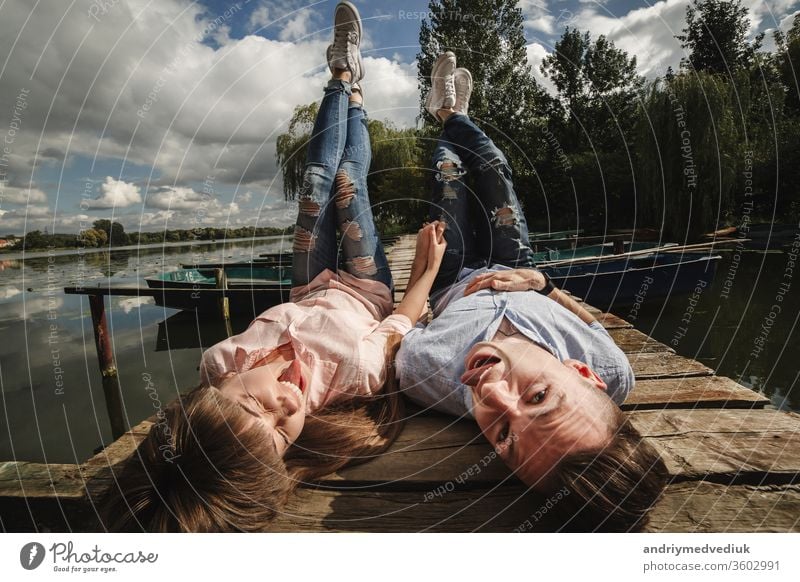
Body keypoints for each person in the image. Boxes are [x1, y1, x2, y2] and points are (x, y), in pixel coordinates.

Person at [101, 2, 446, 532]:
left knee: (314, 183)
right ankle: (355, 93)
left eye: (256, 406)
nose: (285, 404)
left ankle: (340, 73)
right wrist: (425, 270)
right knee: (348, 180)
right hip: (363, 288)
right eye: (285, 433)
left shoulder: (215, 365)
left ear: (213, 395)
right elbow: (401, 321)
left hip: (307, 286)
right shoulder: (356, 371)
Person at [396, 52, 668, 532]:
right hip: (518, 266)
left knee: (449, 175)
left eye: (504, 438)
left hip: (453, 276)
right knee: (496, 170)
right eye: (539, 396)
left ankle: (448, 114)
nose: (493, 396)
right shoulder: (615, 370)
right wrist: (543, 284)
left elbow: (403, 326)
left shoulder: (425, 375)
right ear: (584, 373)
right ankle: (450, 111)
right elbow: (589, 323)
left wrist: (425, 268)